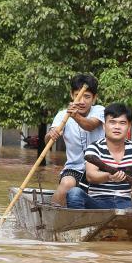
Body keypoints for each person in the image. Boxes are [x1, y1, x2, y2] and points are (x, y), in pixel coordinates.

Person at [47, 74, 105, 207]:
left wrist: (75, 116)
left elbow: (90, 125)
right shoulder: (62, 115)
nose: (82, 101)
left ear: (94, 98)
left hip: (99, 169)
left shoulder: (100, 110)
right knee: (67, 184)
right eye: (78, 95)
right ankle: (52, 217)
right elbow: (48, 141)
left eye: (87, 97)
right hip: (74, 169)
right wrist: (51, 134)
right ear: (72, 95)